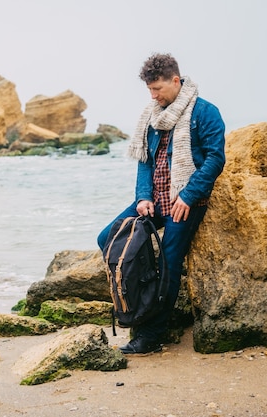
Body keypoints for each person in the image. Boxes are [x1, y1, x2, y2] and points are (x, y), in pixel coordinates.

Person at [97, 53, 226, 354]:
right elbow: (144, 161)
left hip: (186, 201)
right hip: (153, 200)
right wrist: (143, 197)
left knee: (168, 262)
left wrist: (189, 194)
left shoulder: (205, 112)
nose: (154, 96)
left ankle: (152, 334)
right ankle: (140, 301)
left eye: (158, 89)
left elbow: (214, 159)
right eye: (150, 91)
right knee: (107, 237)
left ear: (176, 81)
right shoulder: (153, 117)